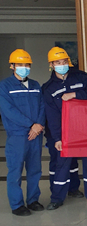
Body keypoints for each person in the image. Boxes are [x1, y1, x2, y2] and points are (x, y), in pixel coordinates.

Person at [42, 47, 87, 210]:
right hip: (65, 132)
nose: (62, 65)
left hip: (86, 129)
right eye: (58, 62)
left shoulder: (81, 77)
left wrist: (75, 95)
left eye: (64, 62)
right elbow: (52, 116)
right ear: (51, 65)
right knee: (62, 165)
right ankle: (57, 198)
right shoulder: (48, 88)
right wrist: (57, 138)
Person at [0, 50, 45, 216]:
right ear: (12, 66)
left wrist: (38, 125)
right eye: (20, 65)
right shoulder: (4, 86)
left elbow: (42, 106)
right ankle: (17, 204)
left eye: (27, 65)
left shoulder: (35, 85)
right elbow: (9, 111)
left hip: (36, 134)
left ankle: (33, 200)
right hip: (18, 135)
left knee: (35, 169)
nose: (24, 68)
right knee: (15, 171)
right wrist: (31, 125)